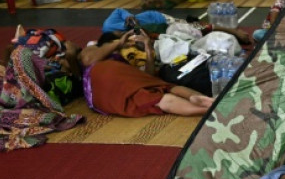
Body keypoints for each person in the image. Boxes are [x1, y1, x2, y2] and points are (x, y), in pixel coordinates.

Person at [0, 33, 84, 153]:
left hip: (28, 94)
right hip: (21, 92)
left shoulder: (69, 78)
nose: (58, 60)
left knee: (19, 54)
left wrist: (62, 59)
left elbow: (72, 61)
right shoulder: (56, 71)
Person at [79, 30, 214, 117]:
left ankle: (200, 100)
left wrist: (148, 49)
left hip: (122, 83)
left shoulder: (127, 56)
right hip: (102, 80)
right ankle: (209, 108)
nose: (129, 40)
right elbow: (88, 60)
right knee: (158, 95)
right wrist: (119, 43)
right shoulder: (92, 49)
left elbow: (147, 79)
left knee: (161, 88)